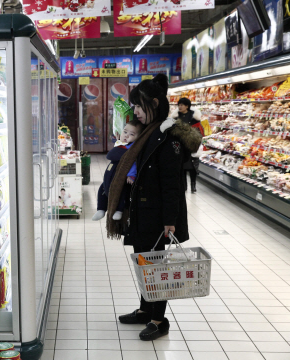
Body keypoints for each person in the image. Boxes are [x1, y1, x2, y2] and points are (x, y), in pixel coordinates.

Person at [105, 74, 202, 341]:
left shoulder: (167, 137)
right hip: (143, 213)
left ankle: (159, 321)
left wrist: (169, 221)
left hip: (158, 217)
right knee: (144, 263)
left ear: (154, 103)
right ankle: (145, 310)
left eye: (139, 105)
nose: (135, 111)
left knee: (156, 268)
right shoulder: (147, 132)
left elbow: (172, 185)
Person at [92, 119, 145, 221]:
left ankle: (119, 210)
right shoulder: (121, 144)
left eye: (131, 134)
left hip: (121, 177)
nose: (126, 135)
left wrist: (131, 175)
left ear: (138, 138)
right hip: (110, 176)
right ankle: (101, 209)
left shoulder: (132, 149)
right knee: (102, 189)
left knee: (121, 192)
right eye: (125, 132)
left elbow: (133, 163)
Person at [171, 97, 203, 193]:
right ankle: (184, 186)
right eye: (179, 105)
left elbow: (199, 129)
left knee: (193, 167)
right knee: (182, 166)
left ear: (187, 106)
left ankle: (193, 185)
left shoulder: (194, 117)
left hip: (191, 144)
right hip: (180, 144)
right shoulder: (176, 117)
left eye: (182, 105)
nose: (180, 107)